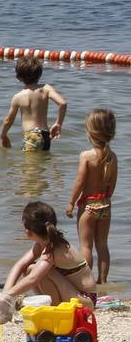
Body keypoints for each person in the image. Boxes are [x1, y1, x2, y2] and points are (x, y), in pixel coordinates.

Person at [1, 201, 96, 308]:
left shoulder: (52, 249)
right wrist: (5, 292)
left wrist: (8, 295)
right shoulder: (43, 243)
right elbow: (20, 265)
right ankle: (50, 305)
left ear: (28, 232)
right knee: (29, 268)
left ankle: (54, 306)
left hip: (86, 301)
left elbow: (33, 279)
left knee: (40, 271)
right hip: (74, 294)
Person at [67, 109, 116, 285]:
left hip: (88, 206)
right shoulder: (113, 157)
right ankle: (103, 281)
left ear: (90, 133)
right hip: (105, 205)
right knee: (102, 245)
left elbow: (79, 182)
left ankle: (87, 282)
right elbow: (112, 185)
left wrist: (71, 203)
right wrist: (105, 200)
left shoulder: (86, 156)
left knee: (86, 246)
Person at [0, 56, 67, 152]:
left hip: (31, 136)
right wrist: (58, 123)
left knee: (29, 166)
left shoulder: (18, 97)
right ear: (40, 74)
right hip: (45, 135)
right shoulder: (46, 88)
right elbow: (63, 103)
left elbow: (8, 120)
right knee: (41, 165)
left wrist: (3, 135)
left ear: (18, 77)